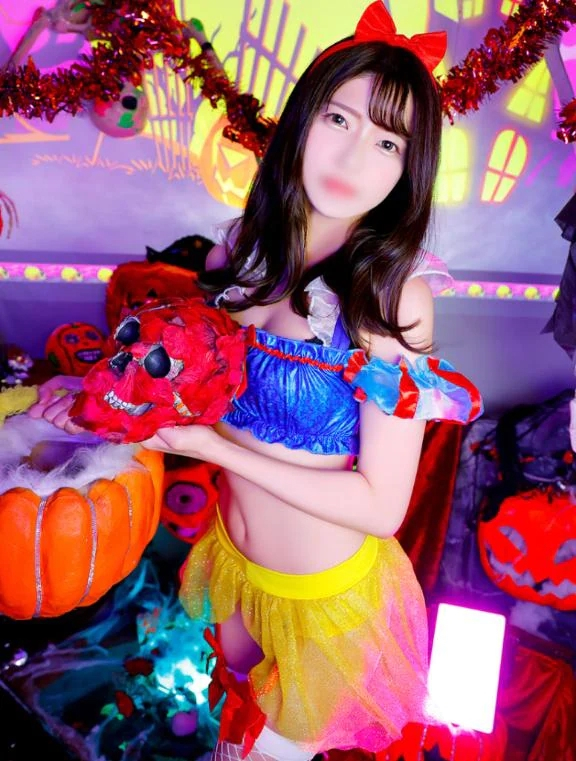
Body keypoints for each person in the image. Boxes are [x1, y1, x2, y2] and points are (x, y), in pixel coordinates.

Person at [29, 4, 483, 759]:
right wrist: (95, 397)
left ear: (410, 167)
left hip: (319, 601)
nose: (353, 158)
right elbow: (194, 383)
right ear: (303, 119)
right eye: (338, 119)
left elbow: (381, 506)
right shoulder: (243, 250)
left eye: (387, 141)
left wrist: (213, 450)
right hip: (232, 567)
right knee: (224, 737)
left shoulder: (392, 297)